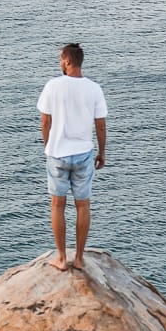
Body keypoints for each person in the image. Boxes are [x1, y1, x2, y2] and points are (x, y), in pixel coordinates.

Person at [36, 43, 107, 272]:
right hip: (83, 153)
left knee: (57, 205)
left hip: (57, 153)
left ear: (67, 61)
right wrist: (102, 152)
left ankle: (60, 258)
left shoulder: (53, 86)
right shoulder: (94, 88)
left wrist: (48, 146)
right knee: (83, 205)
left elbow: (45, 121)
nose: (60, 63)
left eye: (60, 59)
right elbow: (101, 125)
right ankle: (78, 258)